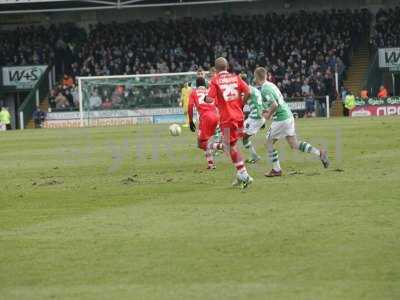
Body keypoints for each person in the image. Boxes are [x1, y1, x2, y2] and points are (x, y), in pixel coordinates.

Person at [253, 67, 329, 177]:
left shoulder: (265, 89)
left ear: (256, 77)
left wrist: (268, 114)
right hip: (288, 116)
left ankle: (276, 169)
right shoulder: (271, 85)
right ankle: (319, 153)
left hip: (281, 119)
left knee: (269, 143)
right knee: (294, 144)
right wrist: (268, 110)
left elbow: (274, 105)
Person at [207, 57, 253, 188]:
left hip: (228, 119)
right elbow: (248, 91)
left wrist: (205, 97)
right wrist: (241, 104)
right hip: (239, 117)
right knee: (233, 146)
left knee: (229, 147)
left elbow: (210, 99)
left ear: (215, 69)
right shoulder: (236, 77)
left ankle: (244, 175)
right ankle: (240, 176)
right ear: (227, 67)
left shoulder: (215, 80)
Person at [188, 77, 219, 170]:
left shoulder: (193, 92)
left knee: (200, 143)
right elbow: (217, 103)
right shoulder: (209, 91)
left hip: (206, 118)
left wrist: (190, 120)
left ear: (196, 85)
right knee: (204, 141)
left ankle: (221, 146)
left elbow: (190, 106)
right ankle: (211, 164)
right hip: (216, 116)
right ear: (205, 85)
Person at [241, 75, 265, 163]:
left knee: (243, 136)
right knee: (243, 136)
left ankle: (223, 147)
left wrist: (242, 104)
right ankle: (254, 156)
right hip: (256, 116)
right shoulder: (255, 89)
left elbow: (248, 93)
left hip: (255, 117)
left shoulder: (248, 89)